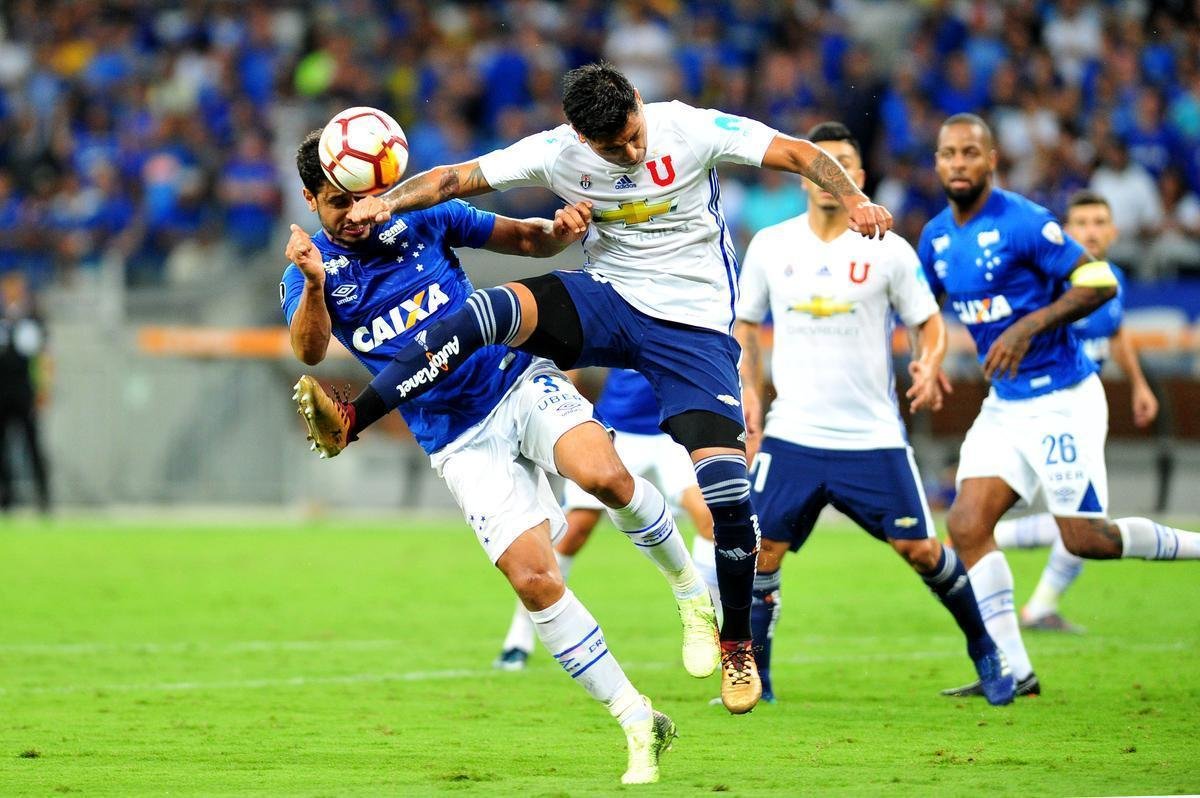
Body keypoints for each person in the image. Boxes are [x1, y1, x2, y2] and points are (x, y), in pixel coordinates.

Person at [295, 62, 894, 714]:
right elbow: (451, 178)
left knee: (726, 495)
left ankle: (737, 644)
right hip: (609, 301)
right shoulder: (557, 152)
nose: (632, 153)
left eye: (635, 135)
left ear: (639, 103)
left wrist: (857, 198)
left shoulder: (691, 129)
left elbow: (799, 152)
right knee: (491, 311)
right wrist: (388, 201)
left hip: (693, 331)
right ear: (582, 136)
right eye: (615, 149)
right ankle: (355, 418)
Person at [284, 131, 685, 784]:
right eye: (337, 203)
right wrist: (312, 282)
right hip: (455, 437)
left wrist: (557, 228)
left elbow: (525, 240)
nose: (355, 214)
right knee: (534, 582)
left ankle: (689, 591)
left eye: (364, 197)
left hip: (515, 381)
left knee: (607, 477)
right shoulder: (310, 267)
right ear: (311, 198)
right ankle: (636, 717)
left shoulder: (420, 216)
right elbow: (308, 350)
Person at [917, 114, 1200, 700]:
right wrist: (928, 360)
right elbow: (924, 312)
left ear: (992, 160)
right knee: (967, 524)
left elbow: (1098, 282)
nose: (959, 163)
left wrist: (1029, 326)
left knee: (1085, 539)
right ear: (937, 163)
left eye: (971, 152)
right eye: (949, 154)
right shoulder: (937, 237)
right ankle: (1016, 671)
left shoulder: (1024, 222)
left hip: (1062, 398)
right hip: (1006, 404)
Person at [734, 122, 1014, 706]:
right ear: (804, 173)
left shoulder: (888, 248)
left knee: (922, 551)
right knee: (761, 552)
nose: (830, 173)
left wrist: (928, 361)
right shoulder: (770, 245)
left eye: (843, 164)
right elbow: (746, 327)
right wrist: (752, 394)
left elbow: (928, 322)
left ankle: (986, 649)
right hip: (794, 435)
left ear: (858, 179)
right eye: (820, 163)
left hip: (871, 437)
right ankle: (758, 680)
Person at [994, 190, 1160, 633]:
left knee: (1080, 518)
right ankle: (981, 544)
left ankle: (1035, 601)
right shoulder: (1050, 283)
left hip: (1080, 409)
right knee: (1084, 521)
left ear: (1113, 231)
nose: (1091, 230)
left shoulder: (1112, 280)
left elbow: (1117, 332)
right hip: (1041, 409)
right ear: (1066, 232)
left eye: (1099, 222)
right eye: (1081, 223)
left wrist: (1139, 384)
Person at [495, 368, 721, 670]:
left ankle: (714, 632)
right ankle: (518, 638)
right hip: (619, 427)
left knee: (709, 518)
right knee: (574, 531)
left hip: (673, 431)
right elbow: (572, 353)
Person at [0, 270, 51, 515]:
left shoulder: (33, 318)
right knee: (3, 449)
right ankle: (6, 499)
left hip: (24, 391)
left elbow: (44, 356)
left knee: (33, 445)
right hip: (1, 391)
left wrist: (44, 387)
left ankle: (44, 498)